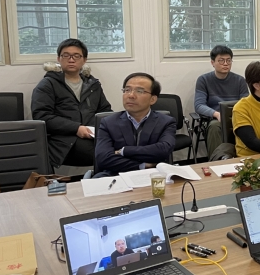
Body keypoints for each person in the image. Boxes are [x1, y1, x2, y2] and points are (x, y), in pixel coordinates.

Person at [31, 38, 112, 169]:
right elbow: (42, 116)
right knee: (104, 152)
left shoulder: (93, 84)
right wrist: (76, 128)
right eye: (66, 55)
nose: (71, 59)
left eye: (76, 56)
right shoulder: (48, 84)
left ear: (84, 60)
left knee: (125, 144)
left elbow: (105, 111)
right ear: (58, 58)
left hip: (92, 135)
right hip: (63, 140)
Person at [94, 73, 176, 176]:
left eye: (139, 91)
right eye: (127, 90)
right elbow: (103, 159)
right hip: (117, 175)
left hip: (154, 176)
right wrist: (142, 165)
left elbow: (163, 150)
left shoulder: (166, 122)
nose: (131, 95)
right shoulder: (108, 123)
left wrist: (124, 151)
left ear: (153, 99)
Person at [194, 45, 249, 158]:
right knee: (215, 127)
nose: (225, 64)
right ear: (212, 62)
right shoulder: (204, 80)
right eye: (221, 60)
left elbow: (246, 103)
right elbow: (199, 105)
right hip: (217, 119)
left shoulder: (240, 80)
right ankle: (217, 161)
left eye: (228, 60)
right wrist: (217, 114)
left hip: (238, 117)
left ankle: (246, 159)